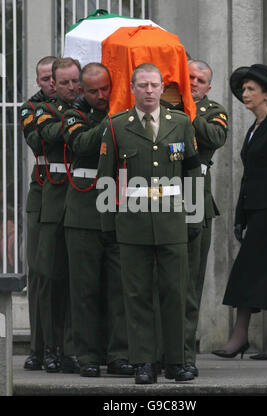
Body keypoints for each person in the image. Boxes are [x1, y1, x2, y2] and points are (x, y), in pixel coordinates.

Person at [97, 63, 203, 384]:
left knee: (175, 292)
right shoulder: (116, 126)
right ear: (132, 88)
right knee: (137, 296)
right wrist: (107, 225)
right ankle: (143, 361)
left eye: (154, 85)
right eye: (142, 85)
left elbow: (192, 172)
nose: (148, 90)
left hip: (172, 222)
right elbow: (107, 178)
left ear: (161, 87)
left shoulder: (181, 124)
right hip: (133, 224)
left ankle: (177, 362)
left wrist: (194, 217)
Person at [212, 64, 267, 360]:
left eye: (251, 89)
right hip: (255, 211)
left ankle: (240, 336)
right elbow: (249, 177)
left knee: (246, 273)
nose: (245, 94)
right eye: (244, 89)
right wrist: (240, 216)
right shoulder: (256, 127)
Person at [62, 63, 133, 377]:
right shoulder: (74, 115)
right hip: (83, 213)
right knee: (85, 290)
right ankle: (87, 356)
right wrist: (110, 120)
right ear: (81, 91)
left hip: (117, 210)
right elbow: (81, 144)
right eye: (93, 91)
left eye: (106, 88)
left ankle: (119, 354)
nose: (101, 95)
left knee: (120, 288)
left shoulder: (125, 115)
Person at [34, 57, 81, 373]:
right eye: (62, 82)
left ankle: (75, 348)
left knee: (80, 279)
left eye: (74, 81)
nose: (68, 87)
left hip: (83, 200)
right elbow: (43, 136)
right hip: (52, 200)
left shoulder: (88, 109)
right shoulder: (40, 110)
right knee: (49, 276)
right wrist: (73, 119)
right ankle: (49, 347)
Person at [184, 60, 229, 375]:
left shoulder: (213, 110)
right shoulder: (162, 106)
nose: (194, 82)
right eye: (188, 78)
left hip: (197, 197)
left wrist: (187, 108)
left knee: (191, 280)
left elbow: (214, 138)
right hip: (162, 196)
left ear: (208, 87)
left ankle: (185, 350)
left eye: (200, 80)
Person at [20, 55, 57, 370]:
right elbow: (38, 137)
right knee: (40, 273)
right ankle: (39, 346)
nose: (51, 84)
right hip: (42, 192)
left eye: (53, 78)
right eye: (45, 79)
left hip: (70, 193)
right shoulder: (31, 108)